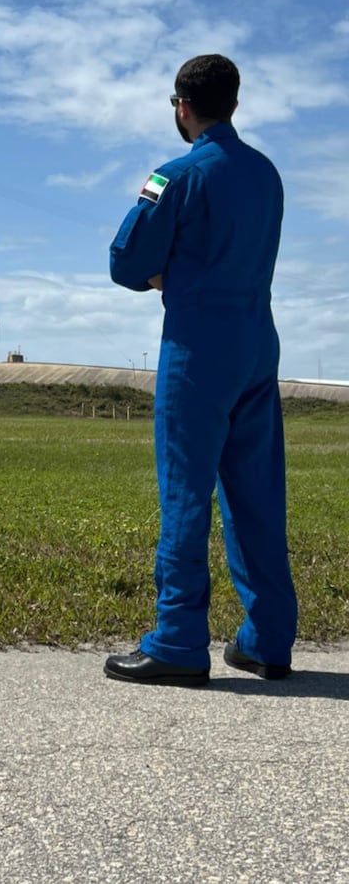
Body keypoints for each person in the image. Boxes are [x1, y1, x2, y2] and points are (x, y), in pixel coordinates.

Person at [104, 54, 297, 687]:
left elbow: (126, 260)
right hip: (257, 345)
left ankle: (179, 641)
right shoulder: (267, 175)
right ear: (233, 102)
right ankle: (268, 640)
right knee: (257, 497)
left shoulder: (175, 175)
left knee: (187, 493)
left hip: (196, 351)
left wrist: (168, 274)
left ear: (181, 106)